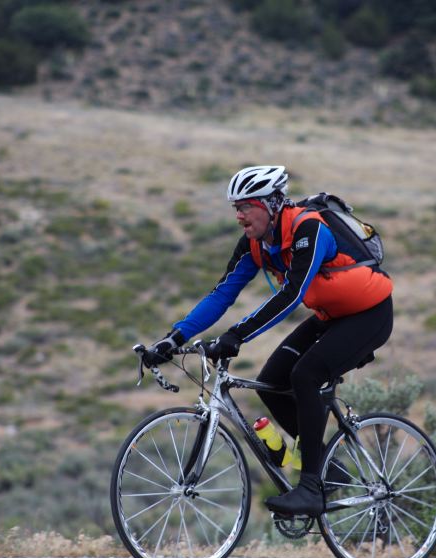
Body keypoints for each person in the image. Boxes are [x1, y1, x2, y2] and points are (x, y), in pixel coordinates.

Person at [143, 165, 393, 516]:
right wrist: (174, 337)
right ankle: (328, 471)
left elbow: (292, 295)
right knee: (271, 383)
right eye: (235, 208)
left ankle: (310, 489)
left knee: (304, 375)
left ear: (271, 204)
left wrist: (237, 335)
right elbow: (221, 295)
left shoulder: (309, 229)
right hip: (330, 316)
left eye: (246, 206)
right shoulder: (254, 246)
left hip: (369, 315)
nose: (239, 215)